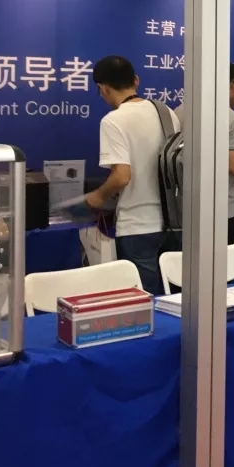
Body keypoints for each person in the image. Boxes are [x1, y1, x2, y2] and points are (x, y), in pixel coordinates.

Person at [86, 56, 180, 295]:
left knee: (143, 300)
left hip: (136, 226)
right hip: (174, 222)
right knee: (173, 298)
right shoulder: (167, 113)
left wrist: (98, 196)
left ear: (103, 89)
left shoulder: (113, 121)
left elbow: (121, 176)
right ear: (136, 80)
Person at [174, 63, 234, 244]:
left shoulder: (180, 111)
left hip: (187, 207)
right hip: (222, 209)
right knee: (227, 260)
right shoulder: (231, 118)